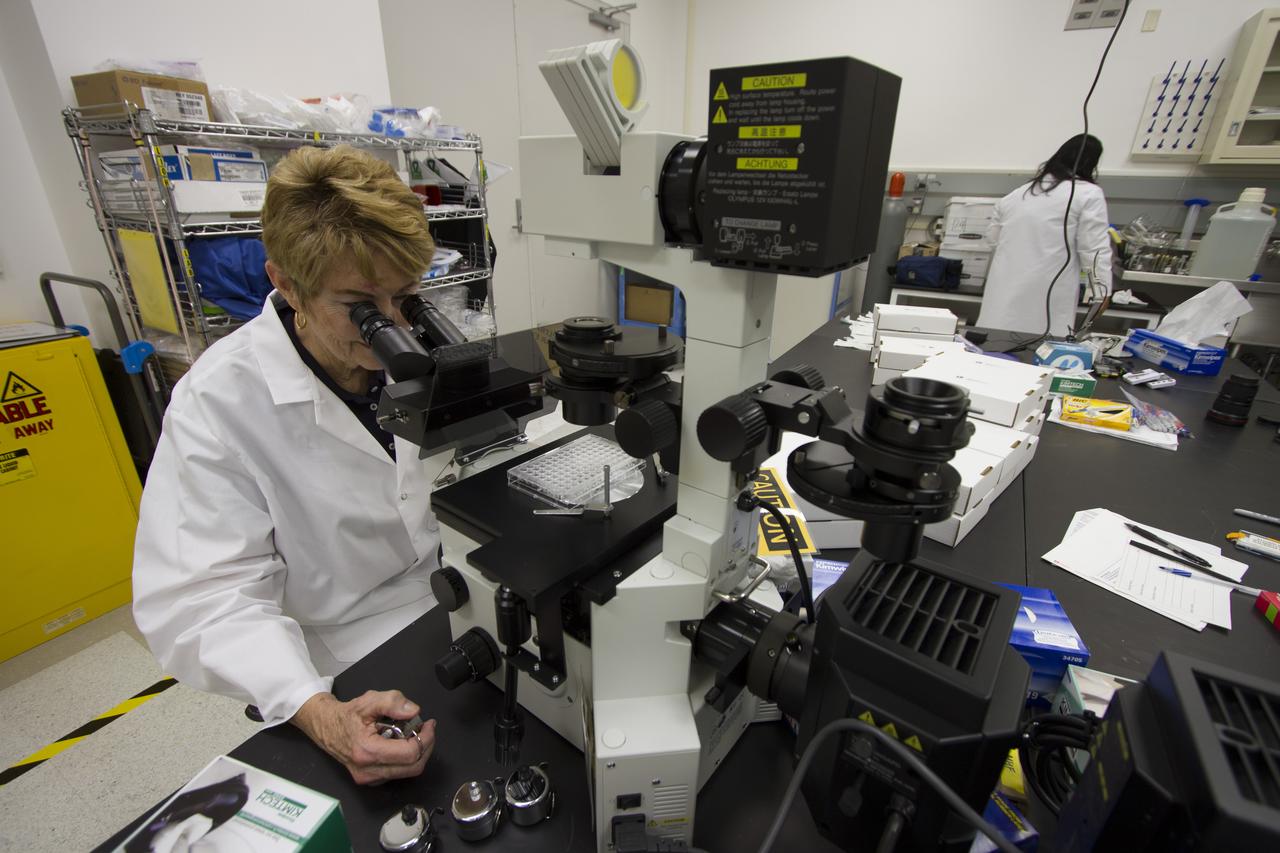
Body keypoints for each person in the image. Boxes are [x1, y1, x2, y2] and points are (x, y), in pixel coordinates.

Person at [133, 145, 443, 784]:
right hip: (343, 648)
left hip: (453, 594)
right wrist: (320, 712)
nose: (391, 327)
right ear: (286, 284)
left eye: (404, 296)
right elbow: (203, 598)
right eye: (360, 305)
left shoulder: (418, 340)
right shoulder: (218, 400)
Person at [976, 134, 1113, 336]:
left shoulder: (1016, 195)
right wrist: (1101, 292)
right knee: (1037, 353)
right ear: (1091, 163)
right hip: (1046, 298)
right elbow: (1094, 249)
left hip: (1002, 295)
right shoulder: (1087, 194)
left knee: (994, 349)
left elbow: (993, 239)